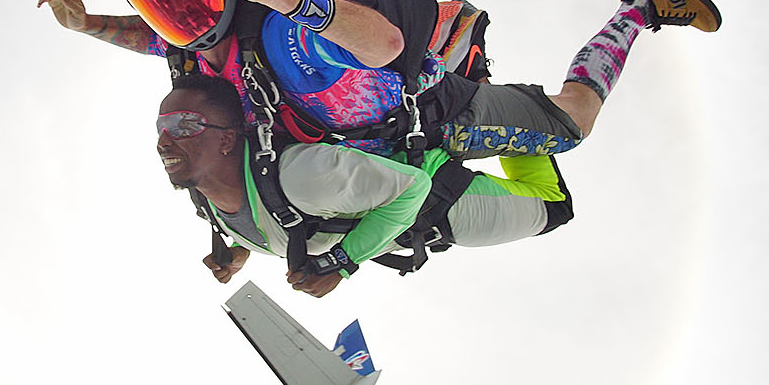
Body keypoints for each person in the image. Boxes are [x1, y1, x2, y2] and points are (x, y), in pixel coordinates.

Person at [39, 0, 721, 161]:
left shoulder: (284, 28)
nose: (185, 16)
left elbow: (381, 42)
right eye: (168, 7)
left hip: (431, 113)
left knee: (572, 124)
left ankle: (640, 6)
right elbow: (148, 40)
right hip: (367, 143)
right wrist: (83, 25)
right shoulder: (194, 49)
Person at [156, 74, 573, 298]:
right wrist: (240, 250)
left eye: (183, 126)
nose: (164, 140)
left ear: (227, 138)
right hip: (413, 208)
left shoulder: (305, 177)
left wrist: (343, 263)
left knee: (554, 206)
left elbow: (413, 189)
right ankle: (488, 96)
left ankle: (634, 9)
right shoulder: (208, 200)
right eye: (162, 127)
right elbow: (265, 216)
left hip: (445, 202)